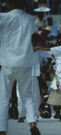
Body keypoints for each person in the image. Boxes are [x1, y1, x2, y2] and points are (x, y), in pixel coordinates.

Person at [0, 0, 40, 135]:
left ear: (9, 4)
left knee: (4, 99)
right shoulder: (29, 18)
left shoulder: (3, 17)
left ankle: (2, 130)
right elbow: (34, 37)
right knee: (28, 96)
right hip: (25, 61)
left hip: (8, 62)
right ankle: (32, 123)